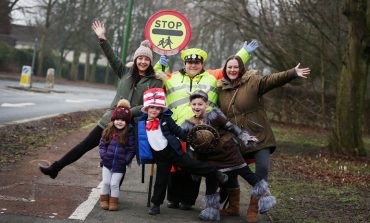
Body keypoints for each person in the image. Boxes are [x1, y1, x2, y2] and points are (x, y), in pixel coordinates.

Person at [39, 20, 165, 179]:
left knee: (119, 158)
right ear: (135, 59)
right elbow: (111, 57)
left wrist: (128, 112)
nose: (143, 61)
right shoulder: (125, 72)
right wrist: (102, 37)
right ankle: (55, 168)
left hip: (130, 126)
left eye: (146, 59)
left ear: (150, 61)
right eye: (140, 58)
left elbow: (151, 105)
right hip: (110, 120)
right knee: (84, 145)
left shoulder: (156, 81)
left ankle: (114, 194)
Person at [161, 41, 259, 210]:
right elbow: (154, 76)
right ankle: (173, 198)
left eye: (197, 62)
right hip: (178, 129)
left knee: (195, 166)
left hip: (203, 133)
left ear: (202, 64)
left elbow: (230, 68)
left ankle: (188, 201)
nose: (193, 65)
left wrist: (244, 52)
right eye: (190, 62)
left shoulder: (212, 76)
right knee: (175, 166)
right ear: (185, 63)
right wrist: (159, 64)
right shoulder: (172, 77)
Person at [217, 55, 311, 222]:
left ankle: (254, 208)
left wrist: (292, 73)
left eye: (235, 67)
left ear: (241, 69)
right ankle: (233, 206)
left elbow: (272, 80)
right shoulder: (221, 89)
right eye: (229, 67)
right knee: (230, 170)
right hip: (236, 138)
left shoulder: (253, 82)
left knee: (262, 170)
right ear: (225, 69)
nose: (232, 70)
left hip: (259, 135)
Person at [135, 88, 228, 221]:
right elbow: (137, 139)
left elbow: (180, 132)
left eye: (157, 108)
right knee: (161, 180)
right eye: (151, 108)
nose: (154, 110)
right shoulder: (141, 123)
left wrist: (194, 140)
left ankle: (216, 173)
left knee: (191, 165)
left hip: (174, 151)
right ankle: (156, 204)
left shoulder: (166, 119)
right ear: (147, 108)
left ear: (161, 110)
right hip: (160, 156)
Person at [183, 90, 276, 217]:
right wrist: (193, 162)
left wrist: (245, 137)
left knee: (248, 175)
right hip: (212, 159)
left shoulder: (215, 115)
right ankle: (211, 211)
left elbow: (231, 127)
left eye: (200, 104)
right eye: (194, 104)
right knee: (211, 183)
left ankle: (266, 199)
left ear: (206, 104)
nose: (197, 107)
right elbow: (190, 145)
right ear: (190, 105)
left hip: (230, 154)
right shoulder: (189, 124)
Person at [98, 99, 135, 211]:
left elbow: (131, 149)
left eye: (123, 120)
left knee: (114, 184)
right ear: (113, 120)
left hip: (120, 164)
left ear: (127, 122)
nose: (120, 122)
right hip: (107, 162)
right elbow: (102, 145)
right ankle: (104, 200)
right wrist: (104, 155)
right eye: (118, 119)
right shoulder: (109, 130)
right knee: (106, 182)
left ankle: (113, 201)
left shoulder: (129, 133)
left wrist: (126, 160)